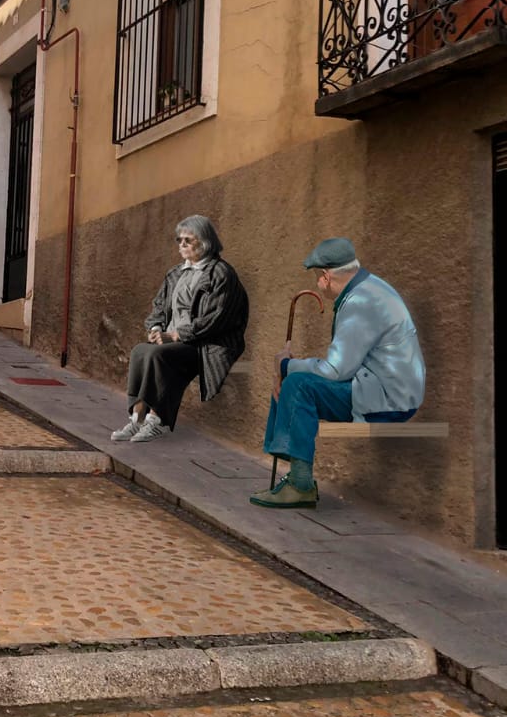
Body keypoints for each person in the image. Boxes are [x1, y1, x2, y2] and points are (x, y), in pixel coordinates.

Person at [252, 237, 426, 508]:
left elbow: (335, 371)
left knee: (299, 385)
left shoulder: (360, 302)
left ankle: (300, 484)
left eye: (316, 278)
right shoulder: (369, 288)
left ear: (325, 277)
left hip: (389, 400)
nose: (317, 284)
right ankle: (296, 475)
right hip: (386, 389)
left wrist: (285, 366)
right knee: (296, 383)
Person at [111, 215, 249, 444]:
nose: (182, 245)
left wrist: (176, 335)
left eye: (188, 240)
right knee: (139, 351)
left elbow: (217, 318)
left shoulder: (221, 274)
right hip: (172, 340)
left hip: (205, 344)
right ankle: (137, 418)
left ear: (205, 242)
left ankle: (158, 421)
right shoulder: (175, 273)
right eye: (179, 240)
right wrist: (155, 328)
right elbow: (158, 307)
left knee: (159, 355)